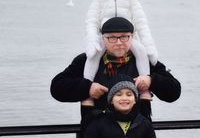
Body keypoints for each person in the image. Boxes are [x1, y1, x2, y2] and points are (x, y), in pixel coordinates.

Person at [50, 16, 181, 125]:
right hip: (96, 137)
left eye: (124, 37)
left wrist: (152, 80)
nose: (118, 42)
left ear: (132, 37)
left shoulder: (145, 60)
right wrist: (87, 88)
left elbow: (174, 92)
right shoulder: (86, 60)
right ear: (102, 39)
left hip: (138, 135)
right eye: (112, 38)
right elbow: (57, 88)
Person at [83, 0, 157, 104]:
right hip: (106, 38)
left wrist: (148, 44)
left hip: (127, 38)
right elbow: (91, 20)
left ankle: (144, 89)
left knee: (142, 52)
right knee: (92, 56)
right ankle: (87, 89)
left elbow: (141, 22)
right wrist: (92, 40)